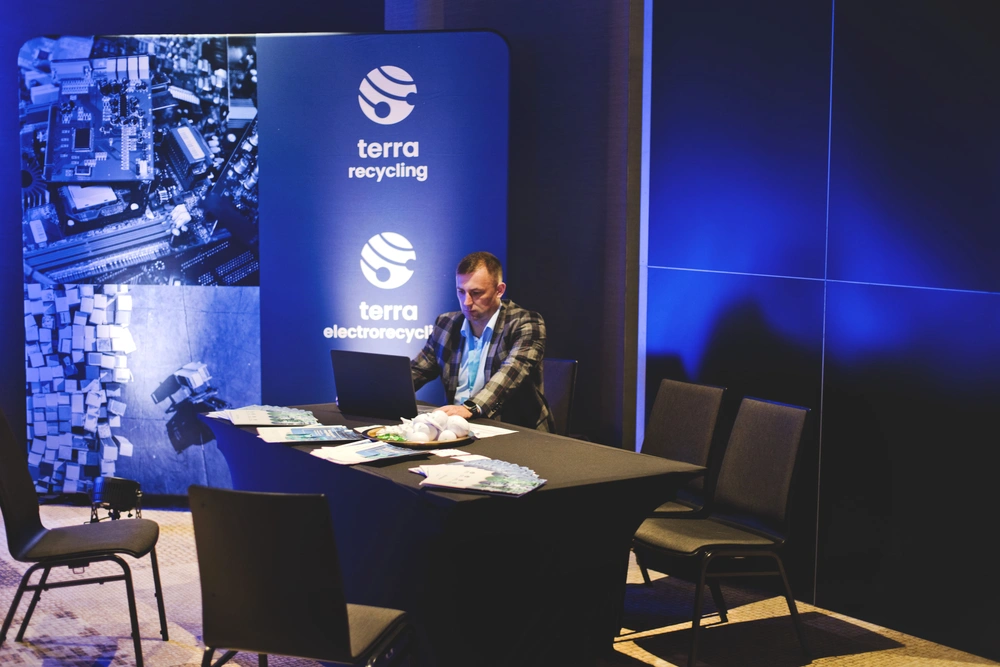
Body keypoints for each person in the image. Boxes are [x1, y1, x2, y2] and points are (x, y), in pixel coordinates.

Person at [411, 251, 555, 431]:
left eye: (476, 293)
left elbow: (511, 372)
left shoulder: (525, 323)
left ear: (499, 290)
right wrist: (385, 393)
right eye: (461, 292)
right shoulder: (446, 324)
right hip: (455, 428)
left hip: (513, 430)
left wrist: (470, 408)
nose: (466, 302)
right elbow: (417, 370)